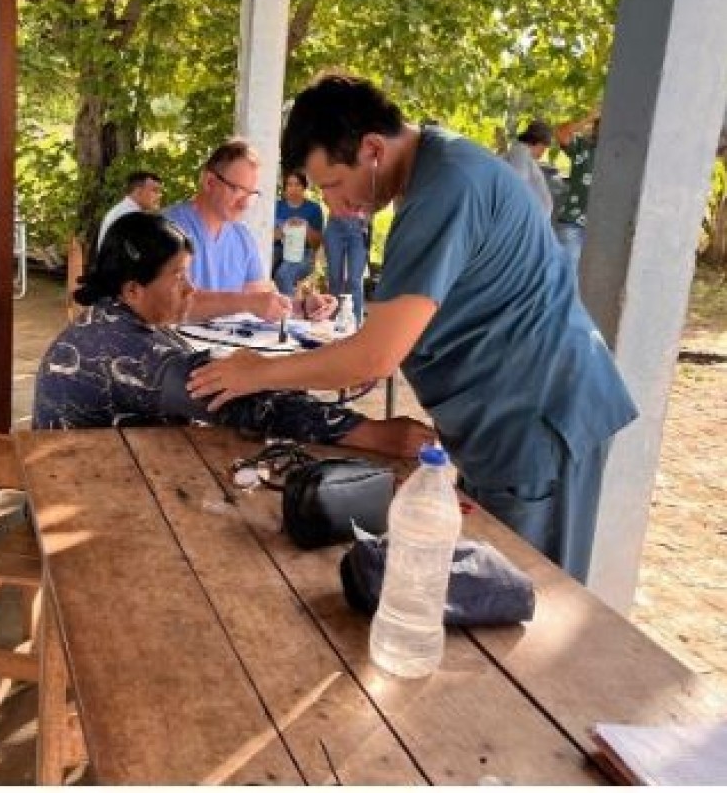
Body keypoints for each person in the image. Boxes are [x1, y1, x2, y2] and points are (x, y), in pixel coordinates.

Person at [188, 73, 638, 584]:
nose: (335, 205)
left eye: (333, 185)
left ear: (373, 148)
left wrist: (256, 372)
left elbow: (374, 356)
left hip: (540, 420)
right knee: (492, 584)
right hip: (506, 423)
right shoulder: (436, 174)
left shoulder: (445, 187)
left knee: (524, 594)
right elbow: (411, 328)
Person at [33, 211, 432, 460]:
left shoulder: (114, 319)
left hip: (96, 480)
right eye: (177, 277)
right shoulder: (124, 346)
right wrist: (369, 433)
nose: (190, 289)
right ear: (133, 289)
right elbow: (240, 402)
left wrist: (265, 374)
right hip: (84, 501)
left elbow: (236, 383)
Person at [164, 138, 335, 322]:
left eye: (251, 194)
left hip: (226, 346)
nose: (245, 203)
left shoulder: (242, 236)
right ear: (209, 182)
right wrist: (246, 302)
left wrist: (302, 307)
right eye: (238, 190)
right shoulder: (167, 228)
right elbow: (169, 303)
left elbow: (260, 300)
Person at [554, 109, 600, 274]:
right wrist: (589, 117)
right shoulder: (582, 147)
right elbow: (560, 133)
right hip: (573, 224)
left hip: (604, 230)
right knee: (565, 277)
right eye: (599, 124)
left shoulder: (624, 155)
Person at [272, 170, 324, 296]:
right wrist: (284, 228)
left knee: (283, 275)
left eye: (297, 185)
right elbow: (268, 237)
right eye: (289, 185)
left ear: (304, 187)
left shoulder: (314, 209)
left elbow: (316, 245)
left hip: (304, 254)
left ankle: (287, 311)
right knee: (260, 268)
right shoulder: (276, 207)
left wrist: (306, 227)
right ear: (285, 188)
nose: (293, 189)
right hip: (278, 249)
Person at [95, 170, 163, 254]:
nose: (159, 196)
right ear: (138, 191)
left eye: (160, 192)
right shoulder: (130, 216)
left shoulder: (123, 210)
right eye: (155, 190)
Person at [323, 213, 370, 325]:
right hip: (335, 224)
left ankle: (356, 326)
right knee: (334, 279)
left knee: (354, 280)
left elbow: (378, 200)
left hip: (359, 227)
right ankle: (332, 324)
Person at [503, 120, 553, 220]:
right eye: (543, 147)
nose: (543, 152)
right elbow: (518, 184)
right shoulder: (521, 152)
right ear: (537, 142)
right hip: (525, 219)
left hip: (531, 219)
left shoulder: (524, 154)